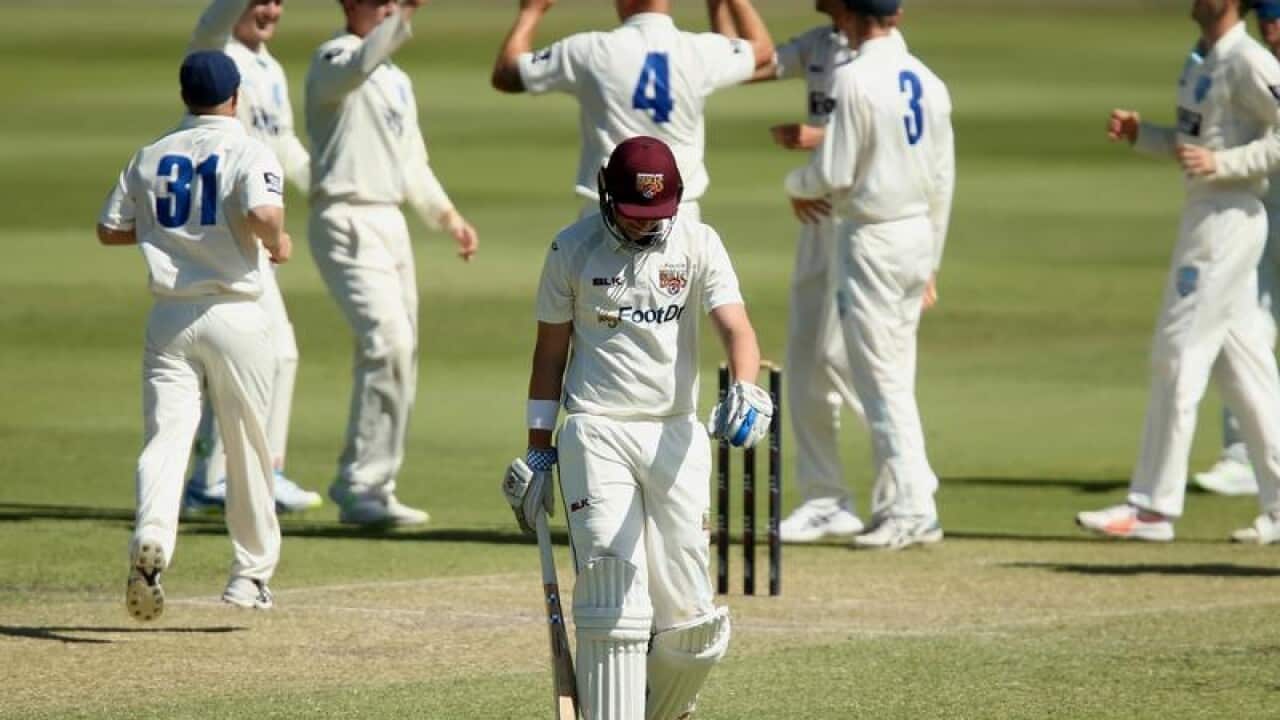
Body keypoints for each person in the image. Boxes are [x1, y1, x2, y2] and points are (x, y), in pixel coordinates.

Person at [502, 137, 773, 720]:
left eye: (657, 217)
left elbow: (737, 329)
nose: (645, 228)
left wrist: (746, 385)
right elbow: (549, 355)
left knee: (692, 624)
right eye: (633, 215)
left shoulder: (699, 242)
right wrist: (538, 450)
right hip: (597, 430)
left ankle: (659, 709)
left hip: (675, 434)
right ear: (606, 196)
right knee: (611, 590)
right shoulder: (571, 249)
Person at [1078, 0, 1280, 545]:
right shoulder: (1201, 59)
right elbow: (1195, 145)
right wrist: (1143, 135)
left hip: (1228, 218)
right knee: (1246, 370)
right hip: (1205, 214)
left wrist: (1226, 166)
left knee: (1177, 353)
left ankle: (1152, 507)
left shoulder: (1250, 61)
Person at [97, 51, 290, 619]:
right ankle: (248, 578)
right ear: (235, 97)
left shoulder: (151, 154)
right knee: (247, 443)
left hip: (170, 318)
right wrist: (275, 243)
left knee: (167, 436)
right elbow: (265, 214)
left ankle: (151, 536)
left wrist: (168, 234)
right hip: (236, 312)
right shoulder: (250, 148)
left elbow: (110, 230)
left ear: (185, 95)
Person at [784, 0, 954, 550]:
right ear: (895, 16)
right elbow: (943, 179)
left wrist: (794, 184)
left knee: (877, 379)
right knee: (891, 374)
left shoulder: (854, 78)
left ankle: (913, 507)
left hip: (871, 237)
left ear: (851, 19)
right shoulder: (929, 79)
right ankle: (902, 501)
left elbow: (831, 171)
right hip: (915, 236)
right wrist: (932, 260)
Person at [306, 0, 479, 526]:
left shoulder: (397, 78)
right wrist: (403, 13)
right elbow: (362, 63)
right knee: (389, 343)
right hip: (345, 218)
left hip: (390, 221)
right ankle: (359, 485)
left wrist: (447, 216)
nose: (385, 8)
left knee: (400, 352)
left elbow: (412, 161)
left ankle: (375, 484)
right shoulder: (332, 59)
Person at [183, 0, 322, 515]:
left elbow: (282, 143)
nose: (270, 10)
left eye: (277, 1)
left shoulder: (270, 67)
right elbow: (211, 20)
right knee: (259, 352)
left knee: (266, 353)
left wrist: (324, 188)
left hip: (252, 226)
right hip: (225, 229)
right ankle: (229, 475)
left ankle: (227, 473)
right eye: (258, 0)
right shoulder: (215, 50)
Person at [748, 0, 866, 543]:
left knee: (848, 362)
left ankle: (906, 491)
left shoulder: (879, 55)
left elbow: (879, 134)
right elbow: (751, 63)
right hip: (821, 216)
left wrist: (813, 145)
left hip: (863, 218)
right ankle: (825, 499)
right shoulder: (820, 43)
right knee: (805, 359)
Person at [491, 0, 774, 220]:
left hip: (607, 213)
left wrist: (531, 11)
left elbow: (506, 74)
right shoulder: (699, 51)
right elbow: (761, 51)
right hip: (681, 215)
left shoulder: (589, 50)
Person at [1192, 0, 1280, 497]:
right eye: (1267, 15)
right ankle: (1244, 454)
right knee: (1244, 325)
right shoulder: (1232, 55)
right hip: (1259, 209)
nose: (1273, 26)